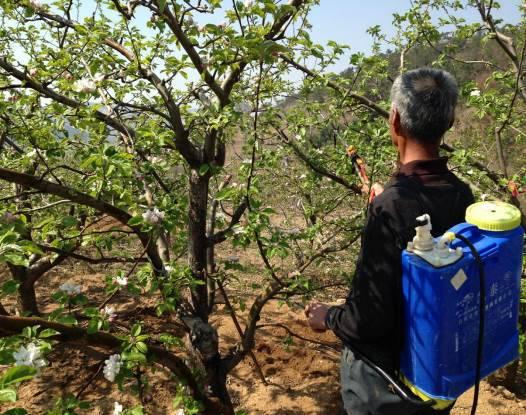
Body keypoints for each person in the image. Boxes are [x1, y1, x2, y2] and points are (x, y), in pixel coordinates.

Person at [305, 68, 475, 415]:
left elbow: (368, 321)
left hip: (390, 383)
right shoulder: (462, 194)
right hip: (437, 369)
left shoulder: (393, 206)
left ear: (394, 120)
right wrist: (388, 203)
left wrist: (328, 317)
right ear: (449, 122)